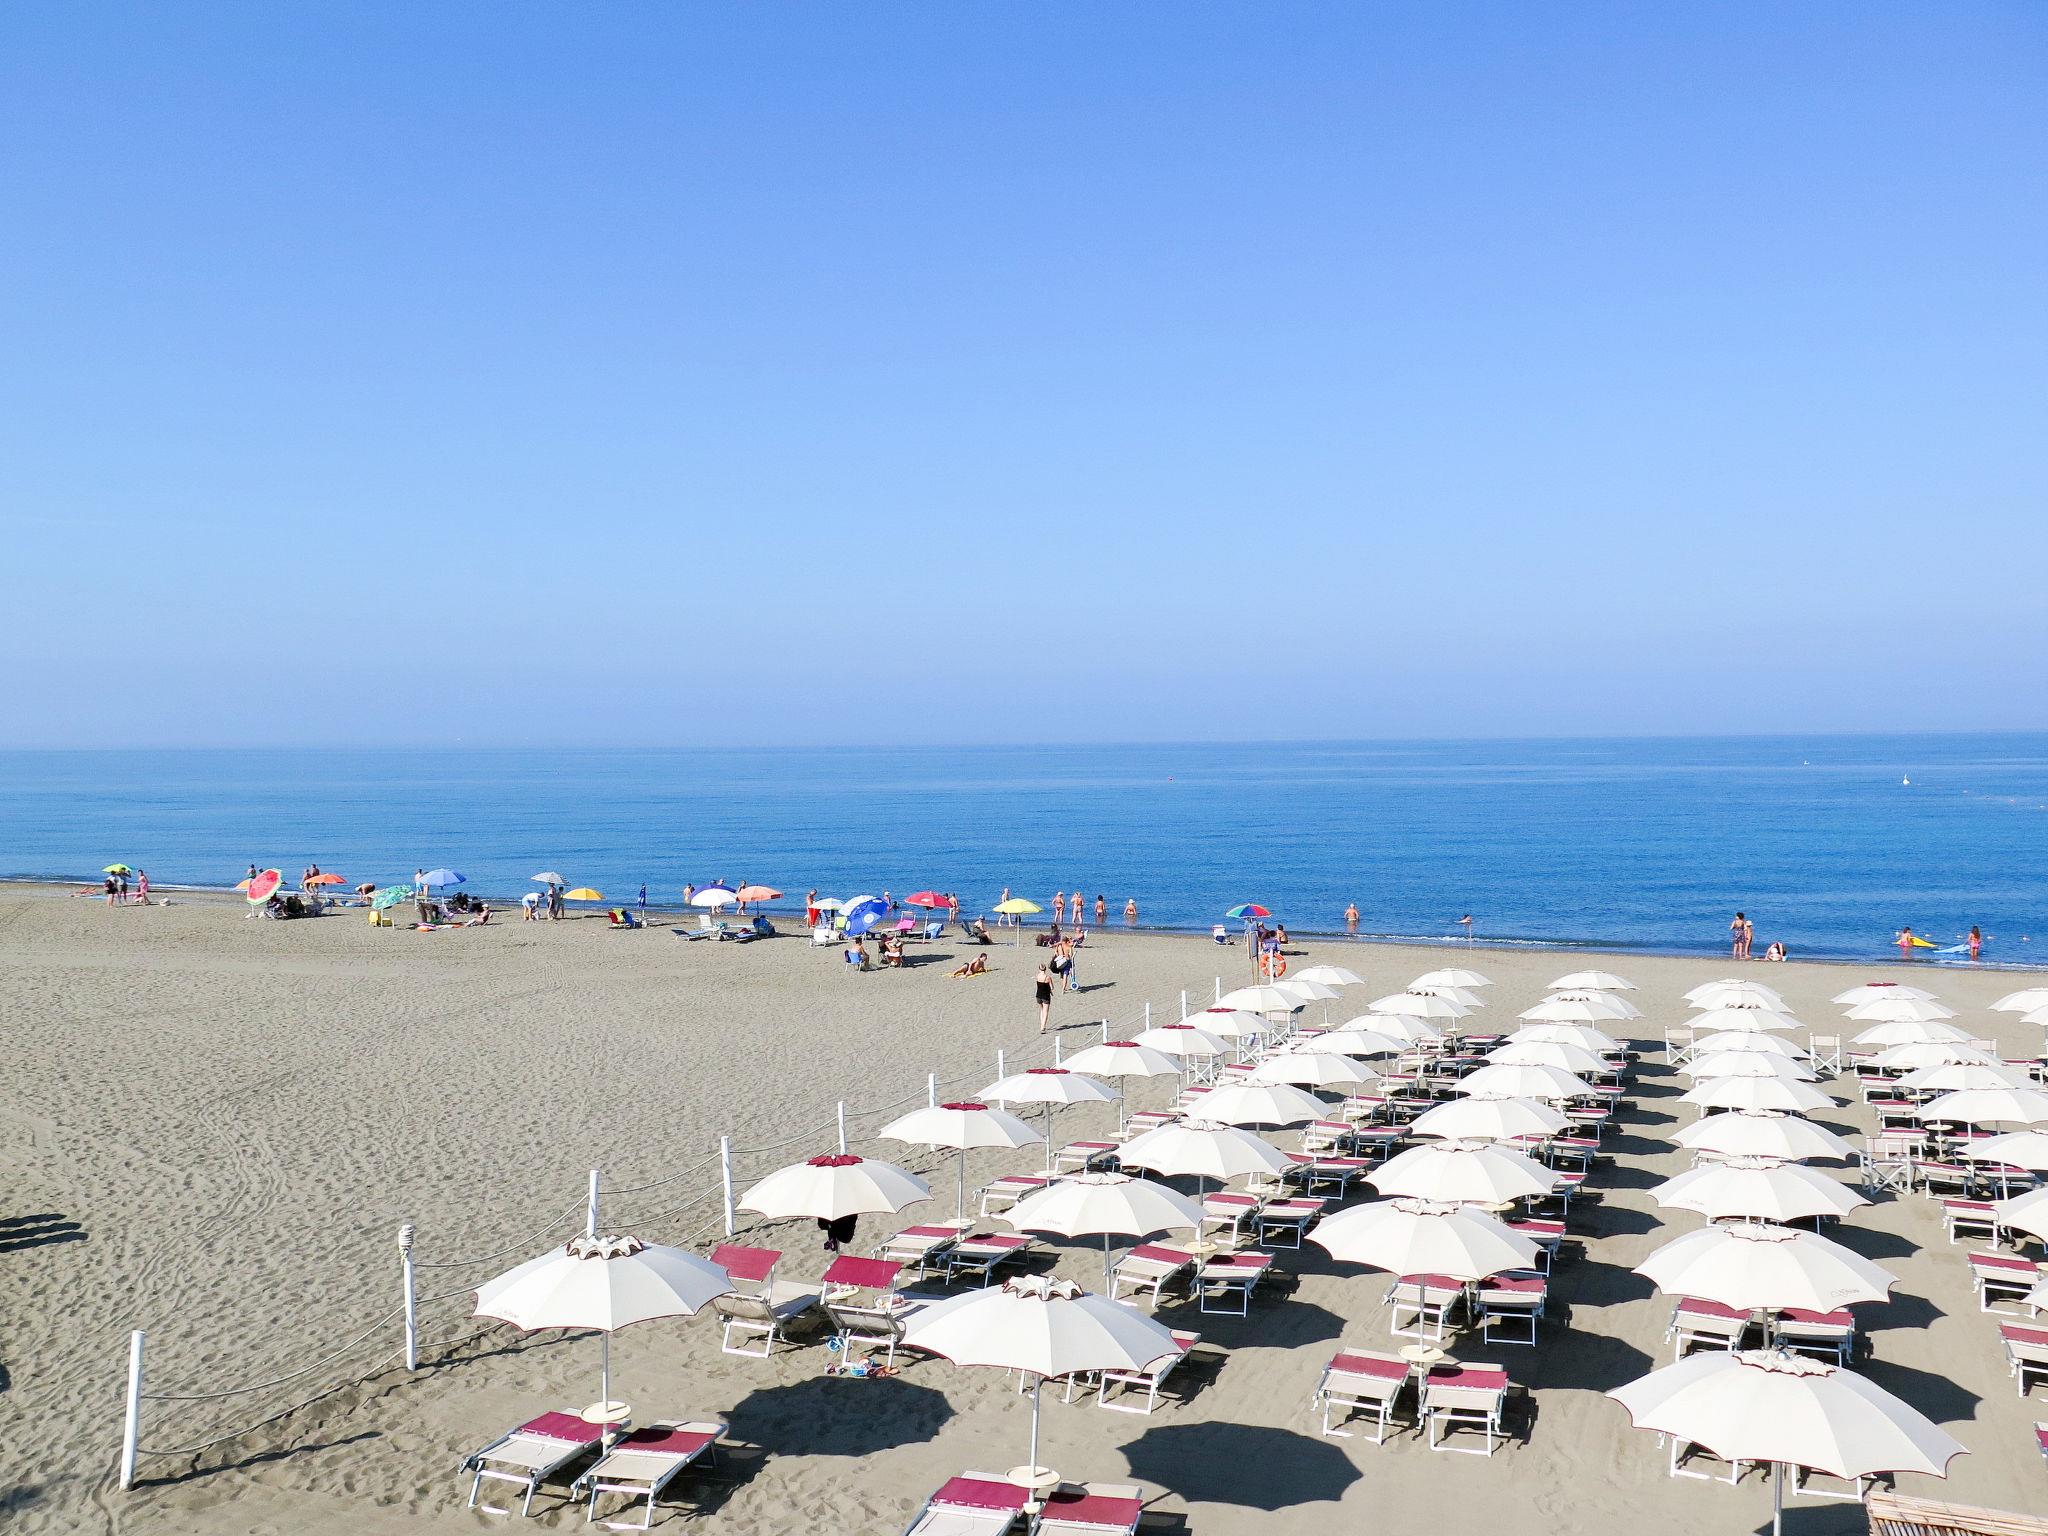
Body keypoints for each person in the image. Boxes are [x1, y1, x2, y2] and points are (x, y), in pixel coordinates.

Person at [1035, 963, 1054, 1033]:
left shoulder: (1037, 976)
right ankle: (1043, 1027)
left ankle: (1041, 1024)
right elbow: (1052, 987)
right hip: (1045, 996)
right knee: (1045, 1011)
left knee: (1042, 1010)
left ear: (1039, 969)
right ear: (1045, 969)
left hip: (1038, 995)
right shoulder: (1048, 977)